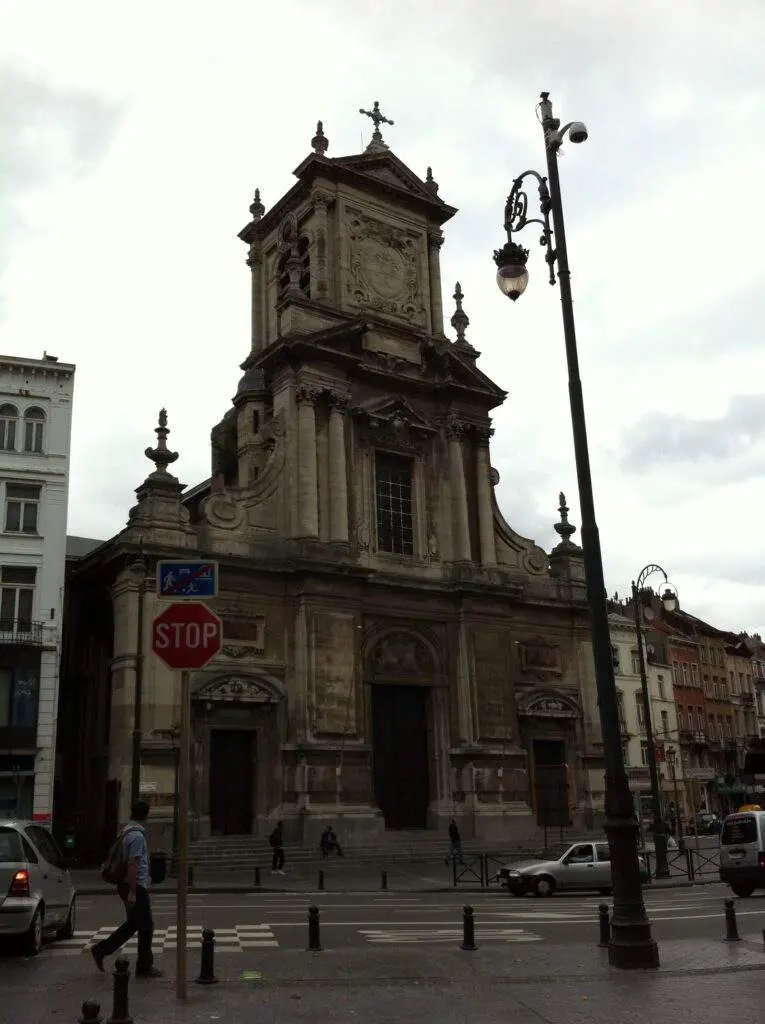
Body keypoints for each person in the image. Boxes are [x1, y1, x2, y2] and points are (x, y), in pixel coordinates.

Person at [91, 800, 162, 978]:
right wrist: (132, 891)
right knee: (146, 926)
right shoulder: (137, 835)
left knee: (134, 924)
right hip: (134, 885)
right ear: (145, 815)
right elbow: (133, 864)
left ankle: (101, 950)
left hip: (130, 884)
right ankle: (144, 967)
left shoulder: (126, 831)